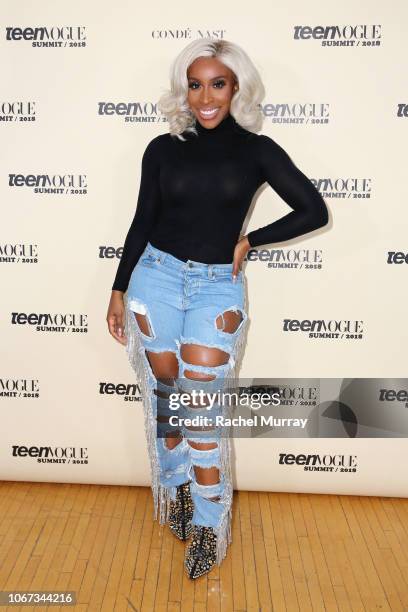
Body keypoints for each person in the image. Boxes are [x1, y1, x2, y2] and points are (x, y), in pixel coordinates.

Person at [106, 38, 329, 580]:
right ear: (185, 88)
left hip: (214, 288)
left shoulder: (258, 150)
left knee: (200, 413)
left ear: (237, 88)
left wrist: (251, 239)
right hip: (153, 280)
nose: (205, 96)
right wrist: (116, 289)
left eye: (218, 84)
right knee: (167, 400)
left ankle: (211, 523)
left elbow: (312, 209)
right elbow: (142, 221)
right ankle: (177, 489)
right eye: (196, 83)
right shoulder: (162, 148)